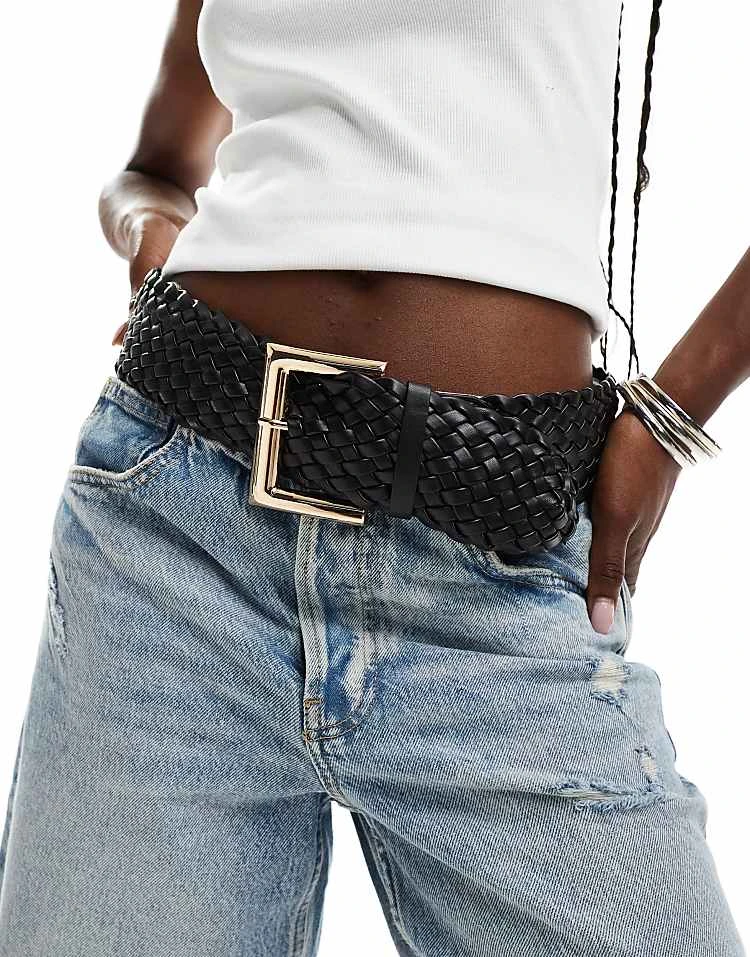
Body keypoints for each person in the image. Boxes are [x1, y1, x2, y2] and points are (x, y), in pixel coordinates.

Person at [0, 0, 745, 954]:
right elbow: (156, 169)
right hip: (175, 535)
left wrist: (676, 412)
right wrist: (147, 219)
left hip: (493, 564)